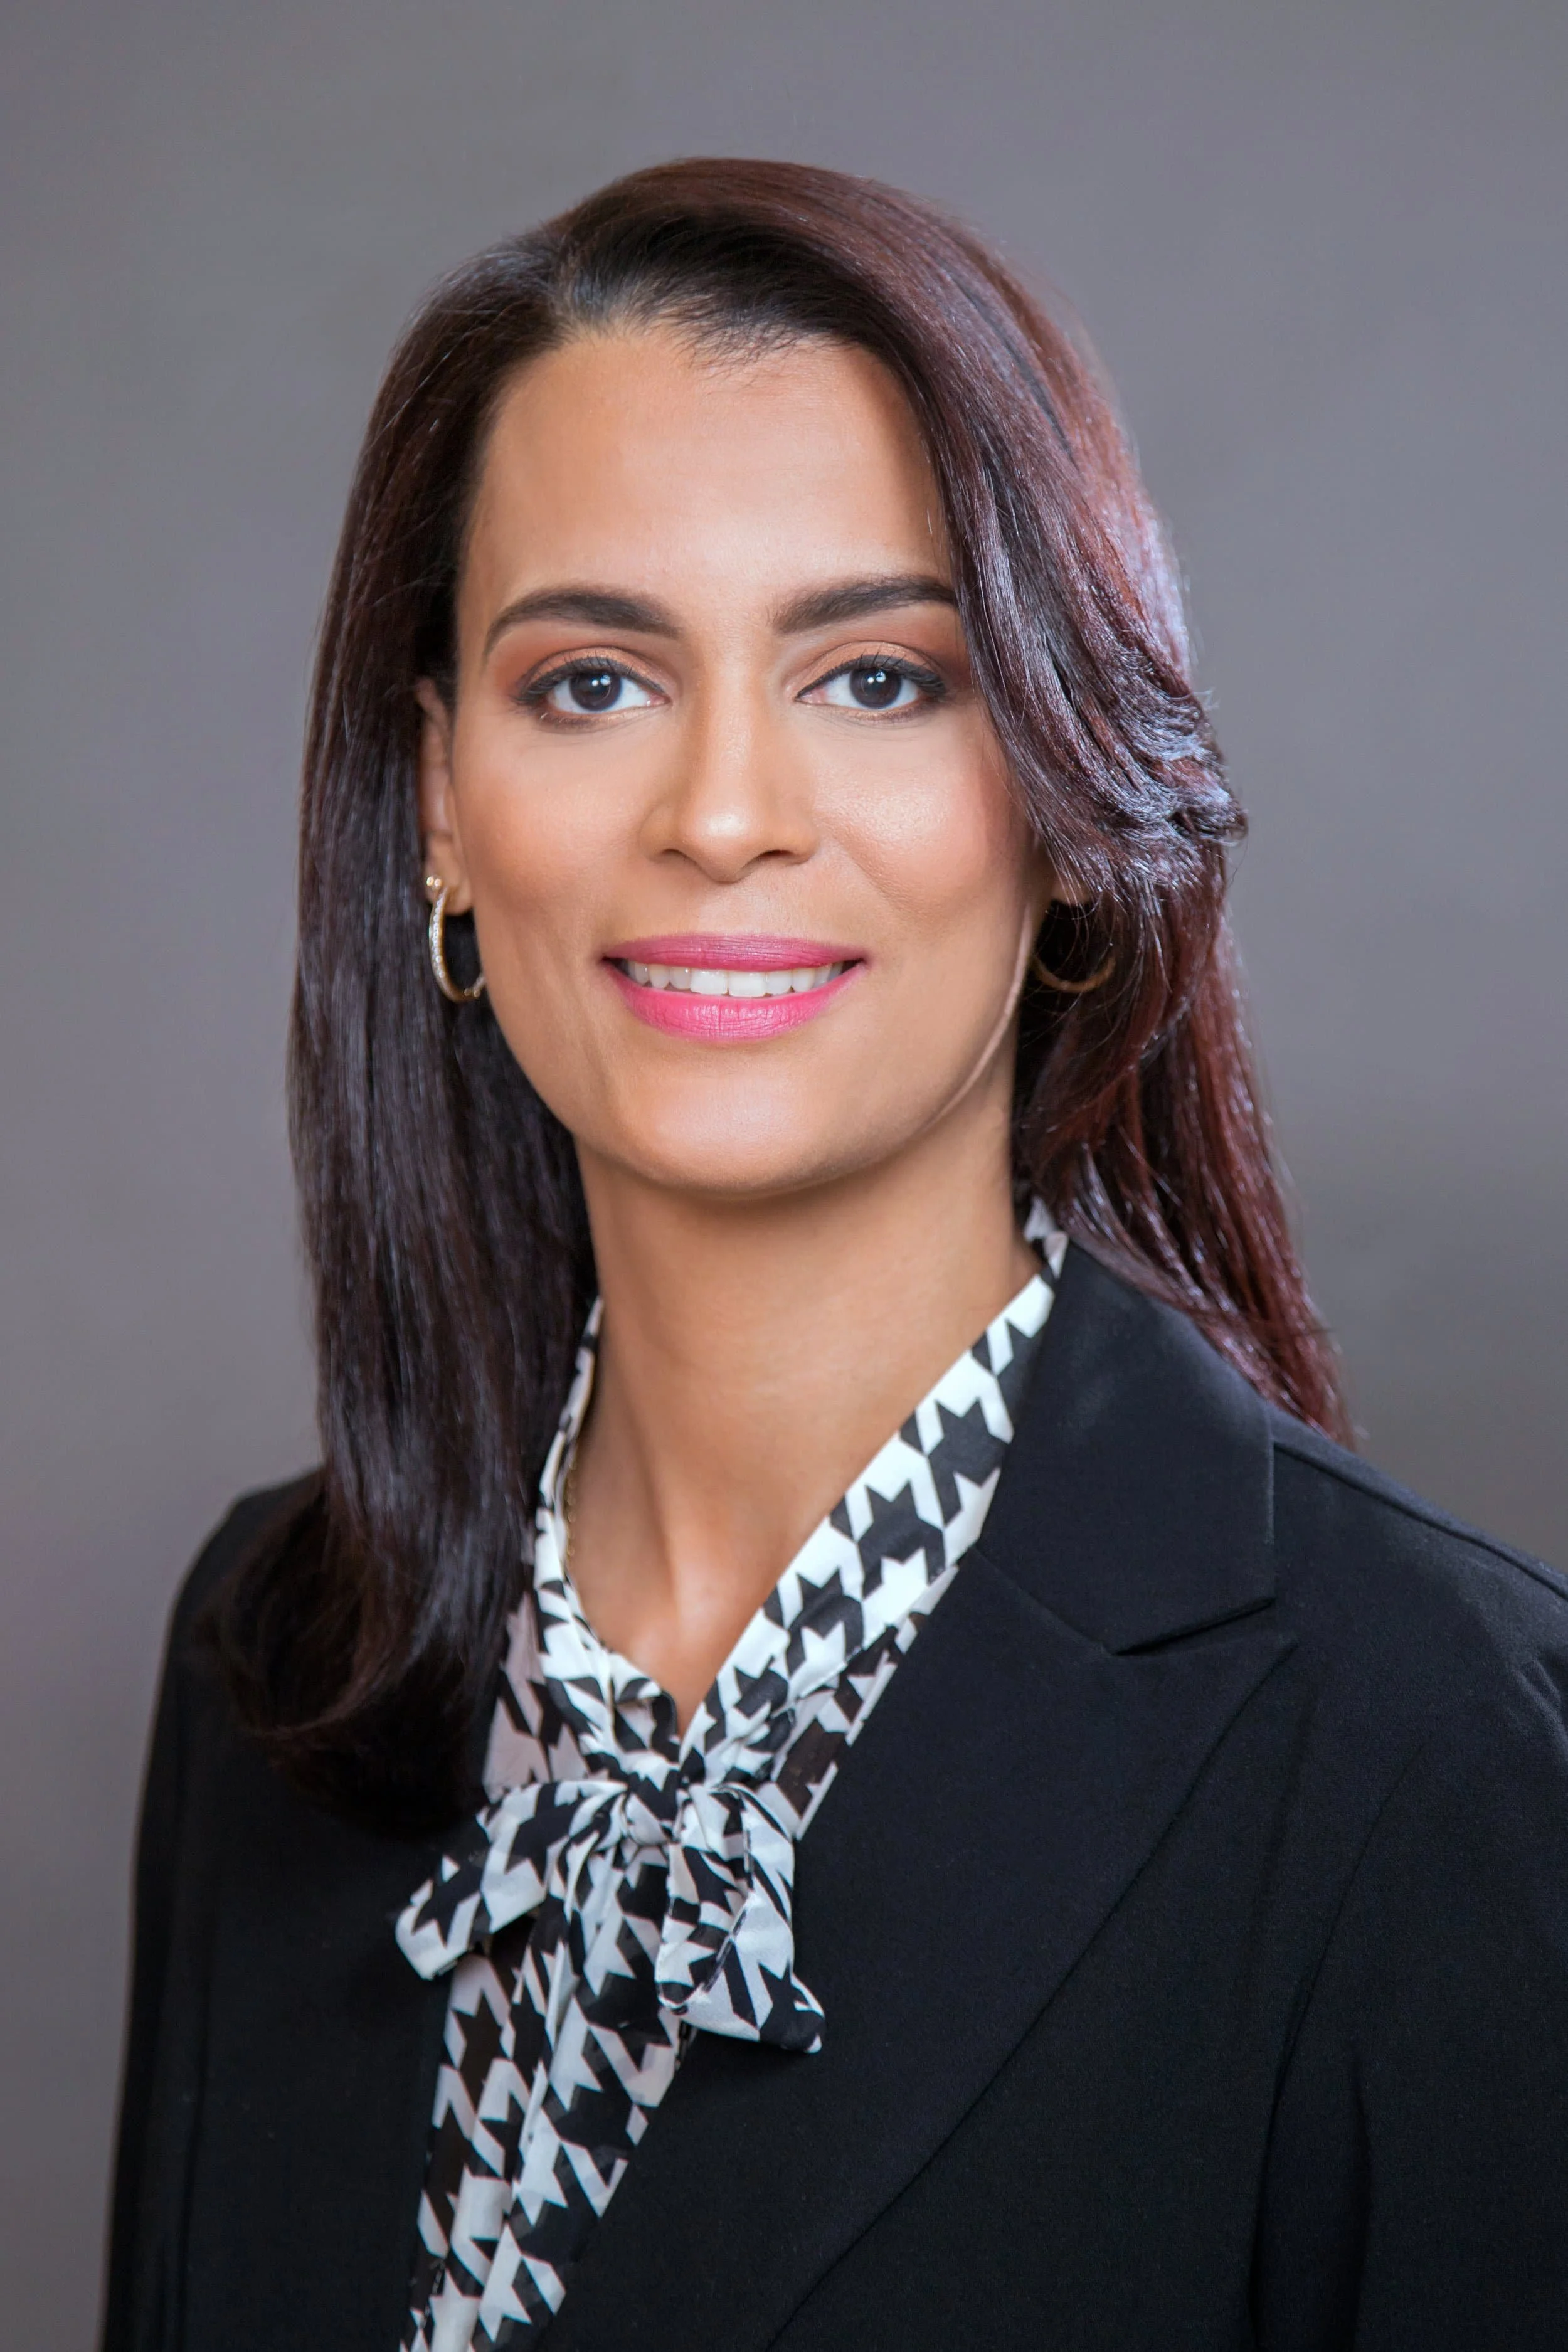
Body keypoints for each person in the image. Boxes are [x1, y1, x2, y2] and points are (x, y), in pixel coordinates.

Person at [102, 158, 1568, 2352]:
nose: (719, 808)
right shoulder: (276, 1654)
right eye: (591, 680)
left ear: (1068, 801)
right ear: (437, 802)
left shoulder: (1428, 1749)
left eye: (877, 679)